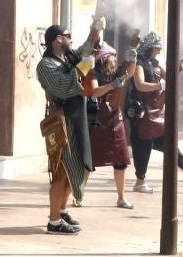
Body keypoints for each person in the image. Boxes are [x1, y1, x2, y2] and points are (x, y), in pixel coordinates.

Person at [37, 19, 100, 233]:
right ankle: (54, 221)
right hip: (61, 122)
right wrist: (82, 68)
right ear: (58, 39)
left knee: (74, 168)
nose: (71, 39)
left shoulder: (65, 59)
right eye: (68, 35)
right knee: (59, 172)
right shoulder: (46, 65)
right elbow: (63, 87)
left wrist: (95, 27)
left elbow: (85, 49)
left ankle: (61, 211)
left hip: (74, 120)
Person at [127, 34, 183, 190]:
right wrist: (159, 86)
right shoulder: (139, 62)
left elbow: (169, 77)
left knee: (167, 141)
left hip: (155, 110)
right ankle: (140, 181)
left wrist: (180, 67)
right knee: (142, 146)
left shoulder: (155, 63)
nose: (159, 50)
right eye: (157, 47)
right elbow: (140, 85)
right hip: (141, 111)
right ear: (151, 47)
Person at [86, 45, 136, 208]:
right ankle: (79, 195)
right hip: (98, 120)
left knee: (120, 161)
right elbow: (95, 92)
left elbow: (131, 72)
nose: (114, 59)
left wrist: (133, 57)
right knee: (89, 161)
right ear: (104, 58)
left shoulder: (117, 71)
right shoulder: (95, 73)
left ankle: (121, 198)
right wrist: (113, 85)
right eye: (112, 56)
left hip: (115, 119)